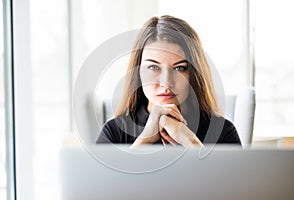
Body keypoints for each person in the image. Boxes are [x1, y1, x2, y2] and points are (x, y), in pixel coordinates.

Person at [96, 15, 241, 147]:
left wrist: (189, 140)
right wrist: (144, 140)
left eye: (179, 68)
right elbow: (108, 177)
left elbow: (225, 177)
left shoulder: (223, 132)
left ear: (194, 74)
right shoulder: (113, 132)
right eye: (153, 67)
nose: (166, 83)